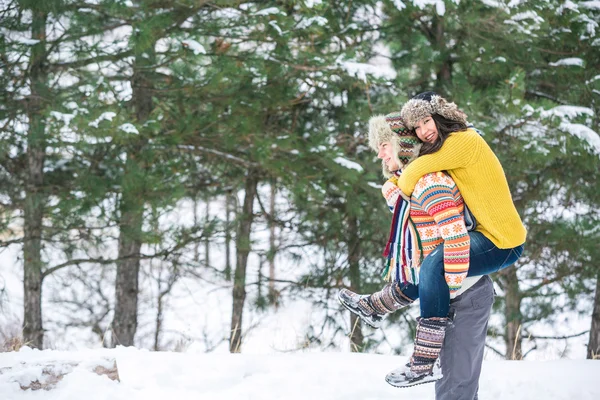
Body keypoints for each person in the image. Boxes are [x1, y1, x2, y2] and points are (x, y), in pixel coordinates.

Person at [342, 92, 526, 389]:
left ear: (439, 116)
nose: (424, 131)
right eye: (416, 128)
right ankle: (378, 306)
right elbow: (408, 176)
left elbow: (413, 170)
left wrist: (392, 186)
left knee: (433, 266)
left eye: (427, 121)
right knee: (427, 267)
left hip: (503, 240)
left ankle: (423, 359)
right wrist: (393, 184)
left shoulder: (463, 141)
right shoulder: (444, 150)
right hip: (487, 233)